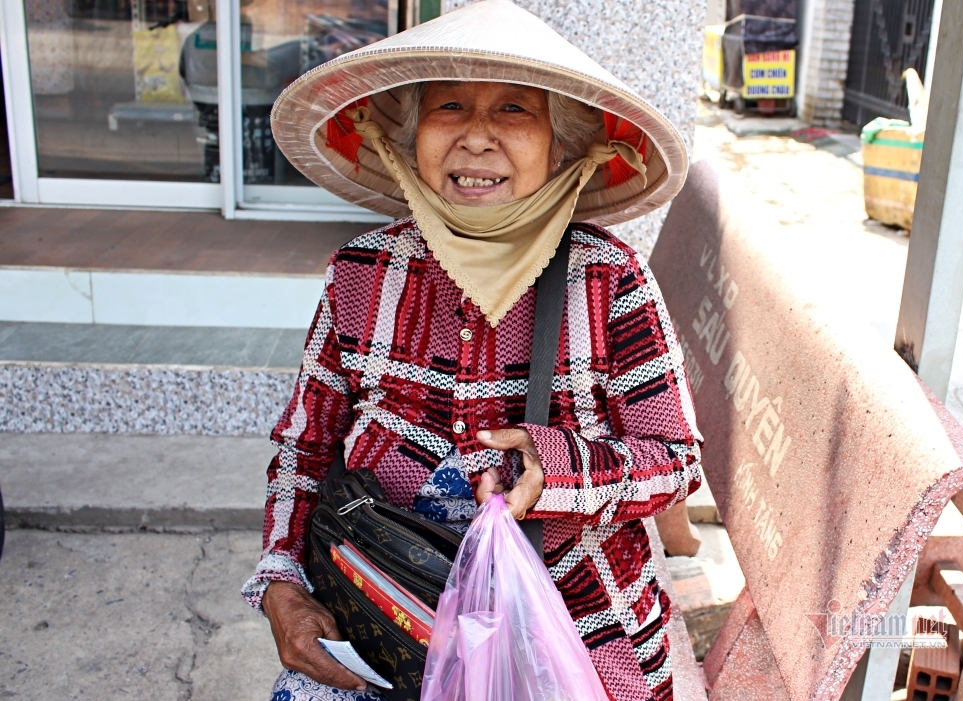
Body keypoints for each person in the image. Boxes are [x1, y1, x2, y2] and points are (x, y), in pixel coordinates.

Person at [242, 2, 703, 699]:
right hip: (384, 617)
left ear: (561, 146)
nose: (478, 138)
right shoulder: (360, 273)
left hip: (571, 625)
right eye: (450, 105)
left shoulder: (610, 280)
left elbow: (675, 460)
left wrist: (559, 467)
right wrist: (281, 580)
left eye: (515, 110)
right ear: (408, 134)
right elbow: (303, 451)